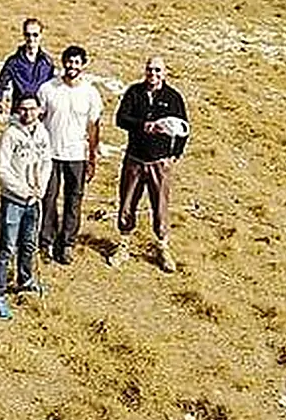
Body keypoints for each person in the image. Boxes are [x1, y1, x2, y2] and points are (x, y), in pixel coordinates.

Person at [108, 56, 188, 273]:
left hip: (159, 163)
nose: (153, 74)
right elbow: (121, 119)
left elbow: (184, 129)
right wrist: (144, 125)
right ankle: (124, 244)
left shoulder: (173, 98)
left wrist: (175, 154)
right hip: (134, 160)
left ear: (165, 72)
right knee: (127, 203)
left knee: (160, 206)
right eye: (150, 70)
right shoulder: (134, 92)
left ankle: (162, 247)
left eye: (157, 70)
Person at [38, 45, 103, 264]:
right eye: (69, 61)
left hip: (77, 155)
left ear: (83, 65)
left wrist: (92, 158)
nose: (72, 66)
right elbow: (39, 120)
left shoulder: (90, 93)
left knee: (73, 200)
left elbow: (93, 126)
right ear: (63, 62)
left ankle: (67, 243)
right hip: (50, 153)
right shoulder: (48, 89)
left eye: (77, 62)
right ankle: (46, 241)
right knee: (48, 198)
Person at [0, 93, 52, 319]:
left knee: (29, 244)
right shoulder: (10, 135)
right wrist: (22, 190)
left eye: (32, 108)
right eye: (24, 109)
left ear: (39, 110)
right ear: (18, 110)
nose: (28, 113)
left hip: (34, 200)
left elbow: (46, 161)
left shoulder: (42, 132)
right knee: (7, 247)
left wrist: (41, 187)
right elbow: (2, 169)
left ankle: (25, 280)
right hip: (14, 200)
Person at [0, 17, 57, 115]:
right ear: (24, 35)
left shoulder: (47, 63)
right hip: (19, 113)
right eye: (28, 35)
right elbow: (0, 85)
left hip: (39, 114)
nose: (31, 39)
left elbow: (53, 88)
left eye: (35, 35)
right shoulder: (13, 62)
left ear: (41, 35)